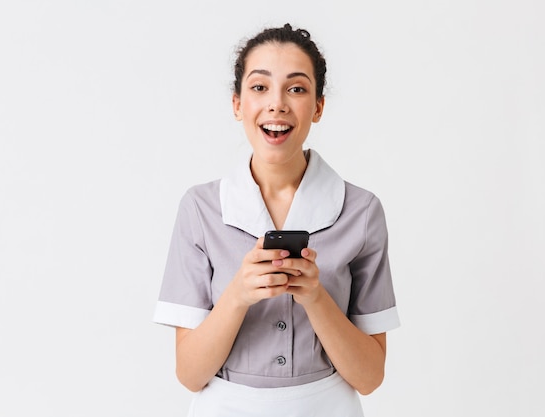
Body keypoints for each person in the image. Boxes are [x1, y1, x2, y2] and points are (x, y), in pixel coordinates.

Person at [153, 23, 400, 417]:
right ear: (237, 104)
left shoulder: (362, 211)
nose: (277, 104)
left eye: (297, 88)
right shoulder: (200, 209)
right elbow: (189, 374)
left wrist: (316, 297)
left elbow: (370, 378)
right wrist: (238, 295)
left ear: (318, 107)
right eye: (259, 87)